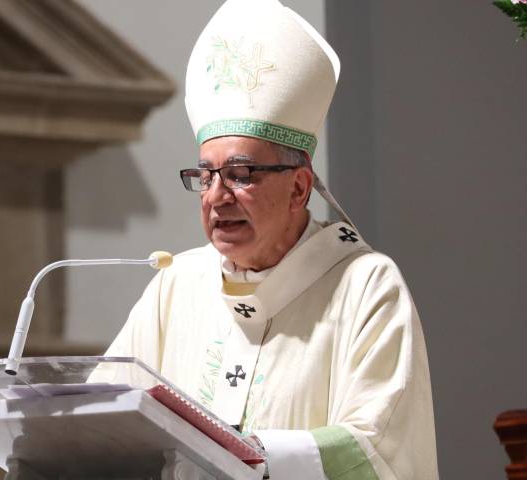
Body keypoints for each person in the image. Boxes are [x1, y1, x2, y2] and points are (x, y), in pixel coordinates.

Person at [104, 1, 439, 478]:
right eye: (206, 176)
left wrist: (257, 456)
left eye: (240, 174)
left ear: (299, 188)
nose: (216, 197)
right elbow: (104, 418)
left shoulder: (364, 285)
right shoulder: (176, 284)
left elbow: (380, 443)